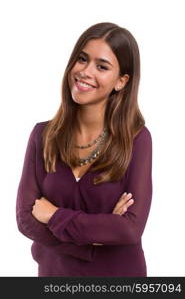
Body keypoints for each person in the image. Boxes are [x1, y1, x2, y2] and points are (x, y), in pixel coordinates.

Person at [16, 22, 153, 277]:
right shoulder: (43, 135)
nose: (85, 72)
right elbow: (26, 218)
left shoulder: (136, 140)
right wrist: (92, 241)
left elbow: (130, 229)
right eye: (82, 59)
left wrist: (54, 216)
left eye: (101, 66)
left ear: (121, 81)